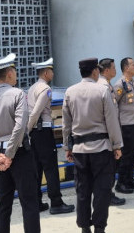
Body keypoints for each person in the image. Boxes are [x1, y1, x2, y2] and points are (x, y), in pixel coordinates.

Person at [0, 52, 41, 233]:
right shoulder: (18, 94)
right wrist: (9, 155)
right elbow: (20, 127)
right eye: (14, 70)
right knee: (29, 202)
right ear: (10, 73)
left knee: (3, 203)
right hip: (18, 154)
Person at [62, 58, 123, 233]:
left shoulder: (70, 92)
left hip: (80, 149)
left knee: (82, 190)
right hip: (101, 148)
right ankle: (99, 227)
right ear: (95, 71)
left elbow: (66, 124)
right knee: (102, 190)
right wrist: (117, 145)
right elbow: (111, 120)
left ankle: (84, 227)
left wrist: (67, 147)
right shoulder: (102, 90)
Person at [27, 58, 75, 214]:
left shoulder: (32, 88)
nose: (53, 73)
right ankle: (56, 202)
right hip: (43, 132)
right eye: (52, 71)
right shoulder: (45, 89)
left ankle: (36, 202)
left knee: (36, 168)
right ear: (46, 73)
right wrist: (28, 129)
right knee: (51, 169)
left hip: (35, 134)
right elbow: (36, 112)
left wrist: (29, 131)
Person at [113, 57, 134, 194]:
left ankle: (130, 179)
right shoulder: (120, 84)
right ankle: (121, 183)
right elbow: (114, 105)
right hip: (126, 124)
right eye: (133, 65)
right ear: (126, 68)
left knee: (133, 152)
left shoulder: (132, 83)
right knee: (126, 154)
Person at [97, 58, 126, 206]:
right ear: (107, 70)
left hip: (107, 131)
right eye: (114, 68)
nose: (116, 71)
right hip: (108, 132)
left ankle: (107, 193)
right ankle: (108, 194)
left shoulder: (105, 84)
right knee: (109, 167)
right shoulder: (104, 87)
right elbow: (110, 114)